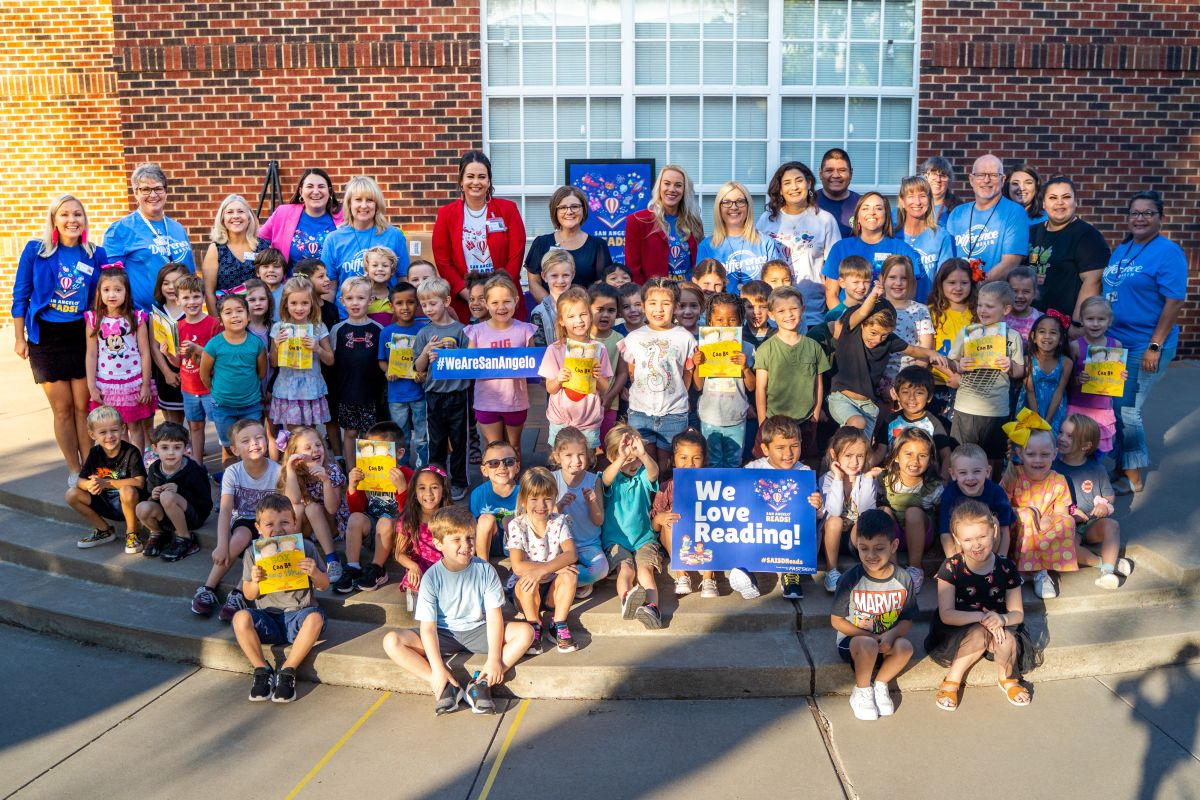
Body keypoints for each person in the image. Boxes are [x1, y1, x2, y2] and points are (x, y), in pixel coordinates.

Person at [382, 506, 535, 716]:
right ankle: (445, 684)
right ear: (438, 544)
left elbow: (494, 617)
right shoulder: (431, 577)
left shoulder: (485, 570)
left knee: (526, 632)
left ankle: (481, 684)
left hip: (478, 630)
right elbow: (428, 628)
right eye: (456, 540)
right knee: (392, 641)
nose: (466, 546)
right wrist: (437, 668)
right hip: (443, 633)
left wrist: (494, 659)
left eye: (470, 538)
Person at [12, 194, 107, 482]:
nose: (71, 220)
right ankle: (73, 469)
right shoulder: (36, 251)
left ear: (84, 220)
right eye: (65, 214)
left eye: (77, 214)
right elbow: (21, 294)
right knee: (63, 409)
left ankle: (90, 466)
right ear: (54, 219)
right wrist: (20, 337)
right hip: (46, 337)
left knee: (83, 407)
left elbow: (105, 294)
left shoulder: (94, 254)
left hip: (81, 335)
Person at [1104, 190, 1188, 495]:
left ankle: (1134, 476)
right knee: (1113, 406)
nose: (1140, 218)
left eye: (1147, 213)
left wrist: (1155, 344)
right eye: (1135, 213)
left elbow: (1175, 301)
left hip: (1145, 344)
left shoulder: (1168, 252)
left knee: (1128, 410)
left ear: (1160, 218)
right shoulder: (1123, 249)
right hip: (1115, 343)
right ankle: (1120, 464)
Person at [925, 500, 1036, 711]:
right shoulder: (952, 567)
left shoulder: (1005, 566)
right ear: (957, 539)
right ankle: (952, 681)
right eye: (967, 539)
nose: (976, 545)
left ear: (994, 531)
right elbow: (947, 614)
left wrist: (1002, 619)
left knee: (1007, 639)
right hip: (961, 625)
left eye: (982, 537)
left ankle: (1008, 678)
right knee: (978, 633)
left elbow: (1018, 613)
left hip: (999, 624)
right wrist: (982, 618)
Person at [232, 493, 329, 703]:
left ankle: (287, 671)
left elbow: (324, 585)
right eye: (269, 524)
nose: (277, 529)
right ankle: (261, 669)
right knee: (240, 617)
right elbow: (248, 594)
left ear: (295, 523)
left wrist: (315, 573)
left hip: (300, 615)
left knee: (316, 618)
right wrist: (256, 582)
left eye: (285, 522)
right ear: (258, 527)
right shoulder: (252, 553)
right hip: (268, 618)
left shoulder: (307, 548)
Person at [830, 508, 917, 721]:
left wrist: (893, 634)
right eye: (864, 548)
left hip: (886, 640)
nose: (871, 555)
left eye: (879, 548)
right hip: (855, 642)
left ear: (894, 546)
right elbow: (836, 621)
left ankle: (880, 683)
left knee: (906, 647)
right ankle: (862, 690)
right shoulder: (851, 579)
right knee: (867, 645)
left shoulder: (904, 579)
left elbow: (907, 621)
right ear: (856, 545)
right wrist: (869, 636)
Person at [191, 419, 282, 620]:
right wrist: (222, 544)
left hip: (269, 524)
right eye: (246, 440)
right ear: (234, 449)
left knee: (264, 543)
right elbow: (225, 510)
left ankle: (239, 593)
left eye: (259, 438)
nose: (254, 443)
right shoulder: (233, 472)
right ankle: (208, 588)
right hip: (243, 519)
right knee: (241, 537)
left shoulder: (277, 471)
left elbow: (281, 510)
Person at [828, 286, 949, 434]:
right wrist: (873, 295)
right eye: (873, 332)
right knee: (856, 424)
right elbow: (863, 312)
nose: (877, 339)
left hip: (867, 404)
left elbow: (913, 350)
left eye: (884, 335)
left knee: (863, 449)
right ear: (863, 324)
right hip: (842, 398)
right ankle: (833, 456)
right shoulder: (852, 331)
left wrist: (931, 353)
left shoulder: (888, 341)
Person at [432, 150, 526, 322]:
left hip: (504, 299)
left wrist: (499, 293)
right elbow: (443, 261)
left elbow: (516, 255)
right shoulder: (446, 214)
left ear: (489, 181)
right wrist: (468, 294)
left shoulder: (508, 210)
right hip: (465, 300)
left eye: (482, 177)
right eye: (470, 176)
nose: (476, 182)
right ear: (461, 181)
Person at [619, 278, 697, 474]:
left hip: (674, 413)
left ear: (676, 307)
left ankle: (665, 501)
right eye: (652, 303)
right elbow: (631, 370)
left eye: (666, 304)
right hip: (640, 413)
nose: (659, 309)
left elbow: (688, 372)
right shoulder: (634, 337)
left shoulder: (685, 337)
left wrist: (681, 394)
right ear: (644, 306)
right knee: (643, 462)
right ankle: (649, 503)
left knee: (668, 464)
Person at [946, 280, 1026, 473]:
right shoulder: (967, 332)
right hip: (966, 406)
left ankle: (991, 495)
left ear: (1006, 309)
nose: (982, 310)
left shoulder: (1012, 336)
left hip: (996, 409)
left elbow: (1020, 371)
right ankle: (960, 495)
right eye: (980, 305)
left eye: (989, 306)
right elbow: (950, 362)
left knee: (994, 458)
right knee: (961, 454)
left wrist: (1010, 365)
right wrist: (959, 365)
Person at [743, 415, 824, 600]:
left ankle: (791, 573)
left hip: (788, 538)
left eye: (794, 446)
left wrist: (817, 506)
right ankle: (744, 570)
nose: (788, 454)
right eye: (780, 447)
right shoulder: (752, 470)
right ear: (765, 448)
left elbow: (815, 516)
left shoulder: (803, 473)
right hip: (759, 533)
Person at [506, 467, 580, 654]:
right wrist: (547, 569)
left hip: (551, 590)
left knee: (570, 575)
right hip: (525, 592)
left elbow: (571, 554)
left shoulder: (559, 521)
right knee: (526, 582)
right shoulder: (517, 525)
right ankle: (534, 625)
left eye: (547, 498)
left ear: (555, 498)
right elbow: (518, 566)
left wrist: (547, 569)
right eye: (534, 499)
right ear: (523, 500)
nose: (541, 505)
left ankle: (558, 624)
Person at [757, 161, 841, 326]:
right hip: (773, 316)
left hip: (812, 313)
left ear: (809, 183)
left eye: (799, 180)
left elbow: (834, 269)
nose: (794, 187)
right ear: (780, 190)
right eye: (787, 183)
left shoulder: (825, 220)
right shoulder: (767, 219)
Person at [101, 163, 195, 310]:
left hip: (183, 314)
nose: (153, 195)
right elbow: (111, 280)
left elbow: (191, 273)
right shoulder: (120, 230)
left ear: (165, 191)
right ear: (135, 193)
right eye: (145, 189)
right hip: (142, 318)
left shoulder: (177, 228)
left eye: (158, 188)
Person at [1055, 414, 1134, 589]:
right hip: (1067, 525)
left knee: (1112, 525)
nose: (1061, 438)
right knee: (1068, 550)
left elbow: (1109, 496)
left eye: (1069, 436)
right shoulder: (1053, 466)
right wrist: (1068, 513)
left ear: (1085, 445)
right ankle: (1107, 564)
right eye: (1061, 432)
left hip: (1091, 523)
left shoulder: (1096, 469)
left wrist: (1104, 506)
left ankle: (1107, 575)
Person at [85, 267, 157, 451]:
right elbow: (92, 354)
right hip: (107, 384)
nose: (112, 295)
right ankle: (121, 464)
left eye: (118, 290)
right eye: (106, 290)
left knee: (134, 426)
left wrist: (145, 385)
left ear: (126, 292)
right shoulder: (94, 319)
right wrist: (92, 386)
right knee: (116, 429)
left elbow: (145, 353)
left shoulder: (136, 318)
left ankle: (137, 464)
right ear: (99, 292)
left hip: (132, 382)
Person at [754, 286, 830, 459]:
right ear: (772, 315)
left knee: (806, 464)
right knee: (770, 465)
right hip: (773, 422)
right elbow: (760, 389)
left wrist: (815, 415)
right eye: (781, 311)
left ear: (803, 310)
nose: (788, 315)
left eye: (794, 309)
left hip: (805, 421)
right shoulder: (766, 349)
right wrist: (762, 423)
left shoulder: (813, 347)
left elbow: (818, 385)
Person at [1003, 422, 1078, 600]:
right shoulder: (1013, 474)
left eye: (1045, 454)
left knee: (1066, 521)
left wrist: (1049, 519)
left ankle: (1040, 572)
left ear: (1054, 454)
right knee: (1027, 514)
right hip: (1016, 531)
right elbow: (1002, 508)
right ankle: (1022, 569)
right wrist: (1030, 514)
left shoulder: (1059, 480)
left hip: (1043, 534)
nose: (1038, 460)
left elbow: (1061, 512)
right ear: (1020, 453)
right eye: (1031, 454)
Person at [466, 275, 537, 453]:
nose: (501, 307)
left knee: (514, 448)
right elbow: (467, 365)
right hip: (486, 402)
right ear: (487, 304)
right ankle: (489, 482)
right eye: (495, 302)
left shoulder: (525, 330)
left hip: (516, 401)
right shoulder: (476, 332)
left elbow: (535, 362)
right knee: (492, 450)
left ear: (516, 301)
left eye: (506, 301)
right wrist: (442, 360)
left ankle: (516, 481)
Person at [413, 277, 470, 498]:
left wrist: (453, 352)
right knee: (435, 441)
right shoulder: (424, 333)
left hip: (457, 394)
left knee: (459, 440)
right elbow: (418, 367)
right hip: (433, 395)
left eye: (432, 303)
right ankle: (436, 479)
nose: (428, 309)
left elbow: (469, 364)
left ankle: (459, 481)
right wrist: (427, 351)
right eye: (424, 304)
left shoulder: (462, 331)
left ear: (446, 301)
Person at [601, 425, 664, 628]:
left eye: (635, 459)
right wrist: (621, 458)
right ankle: (627, 600)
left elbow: (654, 473)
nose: (633, 464)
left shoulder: (642, 474)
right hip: (615, 541)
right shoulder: (611, 476)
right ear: (613, 458)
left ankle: (653, 608)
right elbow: (606, 479)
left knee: (645, 571)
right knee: (626, 569)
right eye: (628, 461)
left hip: (643, 539)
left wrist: (643, 455)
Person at [339, 422, 413, 592]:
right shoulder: (368, 472)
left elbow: (411, 515)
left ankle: (377, 568)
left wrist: (402, 489)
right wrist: (353, 487)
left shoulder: (409, 475)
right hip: (373, 531)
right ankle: (353, 567)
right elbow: (357, 510)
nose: (374, 459)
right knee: (355, 518)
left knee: (386, 521)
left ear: (399, 453)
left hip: (398, 535)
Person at [321, 176, 409, 318]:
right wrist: (326, 319)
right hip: (346, 318)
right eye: (358, 200)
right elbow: (329, 287)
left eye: (369, 200)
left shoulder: (394, 236)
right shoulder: (333, 239)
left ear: (377, 204)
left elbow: (403, 280)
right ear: (349, 203)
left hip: (387, 316)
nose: (364, 205)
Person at [822, 192, 925, 310]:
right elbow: (831, 293)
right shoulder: (840, 248)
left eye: (878, 208)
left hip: (890, 319)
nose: (872, 212)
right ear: (857, 217)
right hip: (849, 320)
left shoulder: (902, 249)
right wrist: (846, 322)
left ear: (886, 215)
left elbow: (910, 292)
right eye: (865, 208)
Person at [65, 405, 148, 550]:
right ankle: (104, 530)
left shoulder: (131, 451)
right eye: (102, 432)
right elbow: (80, 480)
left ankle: (132, 533)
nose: (109, 436)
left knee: (127, 490)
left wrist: (106, 483)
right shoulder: (95, 453)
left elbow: (139, 482)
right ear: (92, 435)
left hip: (130, 505)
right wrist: (89, 485)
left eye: (114, 430)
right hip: (105, 503)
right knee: (71, 494)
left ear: (123, 428)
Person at [540, 287, 613, 451]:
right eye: (571, 316)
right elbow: (550, 389)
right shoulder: (554, 349)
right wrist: (559, 379)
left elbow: (606, 387)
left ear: (590, 315)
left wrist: (598, 376)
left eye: (583, 314)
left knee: (586, 461)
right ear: (561, 321)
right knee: (560, 460)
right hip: (560, 421)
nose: (578, 320)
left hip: (589, 421)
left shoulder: (599, 349)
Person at [1028, 175, 1109, 321]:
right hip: (1030, 322)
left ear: (1075, 202)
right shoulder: (1031, 232)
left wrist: (1077, 324)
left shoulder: (1088, 236)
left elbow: (1093, 282)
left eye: (1066, 197)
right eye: (1053, 198)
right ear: (1044, 204)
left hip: (1065, 325)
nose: (1060, 203)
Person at [200, 294, 267, 469]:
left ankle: (255, 481)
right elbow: (205, 375)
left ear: (248, 315)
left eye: (239, 311)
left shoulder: (256, 343)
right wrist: (217, 392)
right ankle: (229, 485)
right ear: (220, 318)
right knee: (229, 447)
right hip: (223, 407)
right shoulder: (214, 345)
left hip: (251, 405)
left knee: (254, 447)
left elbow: (261, 373)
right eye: (228, 312)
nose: (235, 316)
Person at [692, 292, 755, 468]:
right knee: (712, 461)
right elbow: (697, 386)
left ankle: (731, 494)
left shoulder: (748, 349)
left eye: (732, 320)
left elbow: (751, 387)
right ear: (710, 322)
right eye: (719, 320)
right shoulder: (702, 348)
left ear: (741, 321)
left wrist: (745, 368)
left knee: (734, 462)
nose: (725, 324)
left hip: (736, 416)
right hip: (709, 417)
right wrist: (698, 365)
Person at [278, 426, 348, 583]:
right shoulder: (294, 472)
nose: (315, 450)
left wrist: (326, 481)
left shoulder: (331, 470)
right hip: (308, 527)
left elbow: (332, 508)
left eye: (318, 445)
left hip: (332, 524)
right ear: (296, 454)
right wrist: (290, 470)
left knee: (312, 507)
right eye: (308, 448)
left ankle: (332, 559)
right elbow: (293, 501)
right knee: (298, 507)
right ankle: (288, 556)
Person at [651, 429, 715, 597]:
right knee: (670, 521)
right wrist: (661, 518)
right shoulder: (667, 487)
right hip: (675, 540)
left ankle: (709, 578)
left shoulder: (714, 486)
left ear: (704, 460)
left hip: (704, 537)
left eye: (696, 458)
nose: (690, 464)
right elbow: (655, 527)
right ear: (674, 460)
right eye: (684, 458)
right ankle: (681, 574)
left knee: (714, 523)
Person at [136, 421, 213, 560]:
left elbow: (206, 503)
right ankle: (158, 533)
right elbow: (150, 495)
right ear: (155, 449)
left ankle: (185, 538)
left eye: (177, 447)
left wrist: (180, 491)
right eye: (164, 447)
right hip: (167, 516)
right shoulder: (154, 468)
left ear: (185, 448)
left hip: (193, 516)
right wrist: (153, 495)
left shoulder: (194, 470)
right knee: (142, 507)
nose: (171, 452)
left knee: (167, 497)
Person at [879, 427, 943, 593]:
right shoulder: (885, 480)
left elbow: (941, 516)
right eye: (908, 454)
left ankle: (915, 568)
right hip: (894, 537)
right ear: (896, 457)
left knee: (913, 512)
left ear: (930, 460)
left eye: (922, 456)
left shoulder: (933, 487)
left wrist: (938, 546)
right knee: (883, 511)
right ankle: (892, 569)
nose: (915, 461)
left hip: (922, 536)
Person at [945, 154, 1029, 279]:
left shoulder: (1015, 212)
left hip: (994, 295)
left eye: (993, 175)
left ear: (1003, 179)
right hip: (959, 292)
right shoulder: (957, 213)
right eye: (980, 175)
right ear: (971, 179)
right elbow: (947, 259)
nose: (986, 180)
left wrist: (976, 288)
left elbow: (1010, 263)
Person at [329, 277, 384, 469]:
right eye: (349, 298)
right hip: (346, 393)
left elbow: (383, 362)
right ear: (342, 301)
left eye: (360, 298)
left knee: (370, 435)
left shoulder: (379, 330)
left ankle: (371, 474)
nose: (355, 303)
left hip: (371, 393)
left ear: (370, 300)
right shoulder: (337, 330)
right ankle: (352, 473)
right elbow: (331, 362)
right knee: (350, 433)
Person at [819, 427, 881, 593]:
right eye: (848, 456)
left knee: (864, 521)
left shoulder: (865, 478)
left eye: (860, 456)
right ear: (834, 455)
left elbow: (867, 512)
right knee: (835, 521)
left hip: (856, 539)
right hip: (831, 537)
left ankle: (870, 569)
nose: (854, 463)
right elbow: (834, 510)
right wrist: (839, 478)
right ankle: (831, 571)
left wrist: (868, 479)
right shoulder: (827, 479)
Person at [549, 426, 609, 597]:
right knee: (544, 560)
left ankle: (563, 581)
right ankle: (572, 582)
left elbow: (599, 521)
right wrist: (559, 506)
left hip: (588, 544)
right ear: (557, 457)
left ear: (588, 455)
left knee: (601, 570)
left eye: (581, 454)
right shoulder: (552, 479)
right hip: (560, 546)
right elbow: (544, 518)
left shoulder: (594, 480)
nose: (576, 460)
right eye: (568, 455)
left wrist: (592, 503)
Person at [269, 277, 334, 431]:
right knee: (294, 433)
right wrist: (277, 346)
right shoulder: (279, 328)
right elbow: (273, 363)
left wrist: (317, 348)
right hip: (287, 389)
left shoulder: (318, 328)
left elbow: (330, 360)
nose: (299, 308)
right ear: (285, 304)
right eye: (294, 303)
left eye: (305, 303)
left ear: (312, 303)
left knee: (309, 432)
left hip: (311, 389)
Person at [697, 181, 785, 293]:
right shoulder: (706, 246)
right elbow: (703, 290)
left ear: (748, 206)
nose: (734, 207)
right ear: (719, 208)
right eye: (726, 202)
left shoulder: (765, 242)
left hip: (760, 309)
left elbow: (777, 286)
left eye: (740, 202)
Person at [525, 186, 613, 298]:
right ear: (555, 211)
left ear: (584, 209)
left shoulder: (598, 245)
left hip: (585, 312)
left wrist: (580, 310)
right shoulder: (541, 243)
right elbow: (534, 283)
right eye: (562, 207)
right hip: (551, 312)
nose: (569, 212)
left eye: (575, 206)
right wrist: (555, 309)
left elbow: (600, 285)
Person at [624, 164, 703, 283]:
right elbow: (633, 269)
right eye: (667, 183)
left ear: (684, 190)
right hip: (655, 297)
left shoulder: (694, 222)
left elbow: (699, 263)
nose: (672, 189)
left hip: (688, 296)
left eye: (678, 185)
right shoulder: (638, 221)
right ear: (659, 187)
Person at [870, 365, 953, 475]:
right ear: (897, 395)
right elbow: (881, 451)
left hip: (923, 482)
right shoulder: (890, 421)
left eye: (919, 393)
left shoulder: (933, 423)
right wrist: (867, 465)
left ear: (929, 397)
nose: (911, 398)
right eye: (905, 392)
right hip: (891, 480)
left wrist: (944, 482)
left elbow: (946, 455)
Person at [1065, 296, 1122, 456]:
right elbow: (1066, 380)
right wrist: (1078, 379)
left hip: (1102, 408)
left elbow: (1115, 377)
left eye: (1101, 319)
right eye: (1090, 319)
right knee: (1074, 449)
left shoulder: (1115, 345)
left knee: (1097, 452)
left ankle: (1095, 478)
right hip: (1077, 405)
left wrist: (1121, 375)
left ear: (1109, 321)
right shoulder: (1075, 346)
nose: (1095, 324)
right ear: (1082, 320)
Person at [379, 281, 426, 468]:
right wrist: (388, 371)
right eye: (399, 303)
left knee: (422, 435)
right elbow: (382, 360)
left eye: (410, 302)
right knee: (401, 435)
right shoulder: (387, 333)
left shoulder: (423, 330)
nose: (405, 307)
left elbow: (427, 360)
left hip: (419, 393)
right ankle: (404, 469)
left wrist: (422, 373)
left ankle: (423, 468)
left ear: (418, 304)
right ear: (391, 306)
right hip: (396, 394)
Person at [938, 443, 1014, 559]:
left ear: (987, 472)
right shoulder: (949, 495)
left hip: (990, 548)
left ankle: (992, 564)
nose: (970, 478)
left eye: (977, 471)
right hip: (962, 549)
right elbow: (945, 534)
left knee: (994, 522)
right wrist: (954, 564)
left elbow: (1004, 531)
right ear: (953, 474)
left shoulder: (997, 493)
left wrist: (1001, 561)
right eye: (963, 473)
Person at [257, 167, 344, 266]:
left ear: (330, 191)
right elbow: (257, 242)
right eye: (310, 186)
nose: (316, 191)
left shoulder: (345, 216)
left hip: (331, 281)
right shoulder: (283, 213)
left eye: (321, 186)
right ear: (301, 191)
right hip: (291, 281)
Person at [927, 258, 977, 417]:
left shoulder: (978, 314)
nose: (958, 288)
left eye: (964, 283)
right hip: (939, 383)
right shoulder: (931, 313)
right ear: (941, 284)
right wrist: (953, 375)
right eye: (951, 282)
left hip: (971, 385)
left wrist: (962, 380)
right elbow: (929, 352)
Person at [391, 466, 453, 593]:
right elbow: (399, 553)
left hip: (448, 565)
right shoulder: (408, 519)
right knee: (414, 580)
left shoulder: (452, 517)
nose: (428, 493)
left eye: (434, 487)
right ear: (415, 492)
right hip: (421, 567)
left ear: (443, 491)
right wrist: (412, 566)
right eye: (422, 488)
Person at [200, 194, 264, 315]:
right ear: (223, 218)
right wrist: (217, 323)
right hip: (228, 320)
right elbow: (209, 292)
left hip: (258, 318)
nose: (236, 216)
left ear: (249, 217)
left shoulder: (263, 247)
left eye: (241, 211)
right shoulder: (215, 250)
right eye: (230, 212)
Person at [878, 254, 934, 393]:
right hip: (878, 381)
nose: (898, 283)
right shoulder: (875, 308)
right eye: (892, 277)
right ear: (882, 279)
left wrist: (910, 384)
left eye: (904, 278)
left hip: (910, 383)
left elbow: (925, 350)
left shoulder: (921, 310)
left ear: (911, 281)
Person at [895, 175, 954, 297]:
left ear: (930, 199)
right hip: (895, 310)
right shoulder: (891, 235)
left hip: (931, 309)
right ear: (902, 201)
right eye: (911, 196)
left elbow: (947, 279)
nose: (917, 202)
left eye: (922, 196)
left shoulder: (942, 236)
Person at [148, 262, 188, 426]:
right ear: (160, 286)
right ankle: (175, 445)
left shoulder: (191, 311)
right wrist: (167, 373)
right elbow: (154, 347)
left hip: (189, 372)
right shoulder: (156, 314)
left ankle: (192, 446)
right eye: (166, 283)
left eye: (177, 282)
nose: (171, 287)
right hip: (165, 373)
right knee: (171, 418)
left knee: (192, 416)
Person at [1019, 314, 1071, 438]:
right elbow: (1030, 391)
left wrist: (1047, 421)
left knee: (1051, 443)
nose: (1047, 336)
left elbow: (1059, 391)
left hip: (1054, 409)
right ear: (1033, 337)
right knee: (1029, 444)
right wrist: (1037, 421)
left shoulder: (1066, 363)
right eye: (1042, 332)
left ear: (1061, 339)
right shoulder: (1027, 360)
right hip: (1030, 409)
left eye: (1053, 333)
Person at [470, 440, 521, 562]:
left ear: (517, 466)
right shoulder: (478, 494)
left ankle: (520, 563)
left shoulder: (525, 491)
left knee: (512, 520)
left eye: (509, 462)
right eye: (493, 463)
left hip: (519, 544)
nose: (502, 467)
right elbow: (472, 527)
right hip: (490, 542)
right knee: (485, 519)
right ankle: (483, 566)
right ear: (484, 470)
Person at [588, 283, 626, 440]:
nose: (605, 315)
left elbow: (622, 373)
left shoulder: (620, 340)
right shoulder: (581, 339)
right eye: (599, 309)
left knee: (605, 444)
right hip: (582, 405)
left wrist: (610, 396)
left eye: (611, 310)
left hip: (609, 404)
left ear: (617, 313)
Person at [529, 250, 574, 347]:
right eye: (554, 275)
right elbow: (539, 350)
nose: (560, 281)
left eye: (565, 275)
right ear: (544, 276)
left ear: (573, 275)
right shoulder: (538, 314)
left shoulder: (585, 307)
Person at [815, 148, 860, 238]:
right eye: (829, 170)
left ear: (851, 173)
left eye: (842, 170)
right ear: (820, 174)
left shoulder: (863, 205)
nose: (835, 175)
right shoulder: (808, 203)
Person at [918, 156, 962, 225]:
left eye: (943, 175)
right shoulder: (915, 203)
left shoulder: (958, 208)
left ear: (949, 180)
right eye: (933, 174)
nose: (938, 180)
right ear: (925, 176)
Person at [363, 245, 401, 326]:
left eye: (385, 265)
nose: (380, 269)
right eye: (375, 265)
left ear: (392, 270)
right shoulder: (361, 297)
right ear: (367, 269)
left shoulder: (396, 298)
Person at [1003, 264, 1042, 342]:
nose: (1020, 296)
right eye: (1014, 291)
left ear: (1034, 293)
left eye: (1026, 292)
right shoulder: (1000, 315)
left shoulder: (1040, 319)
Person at [740, 280, 774, 347]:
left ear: (770, 308)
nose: (756, 312)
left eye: (763, 307)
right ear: (742, 308)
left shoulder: (779, 335)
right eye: (750, 307)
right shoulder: (738, 336)